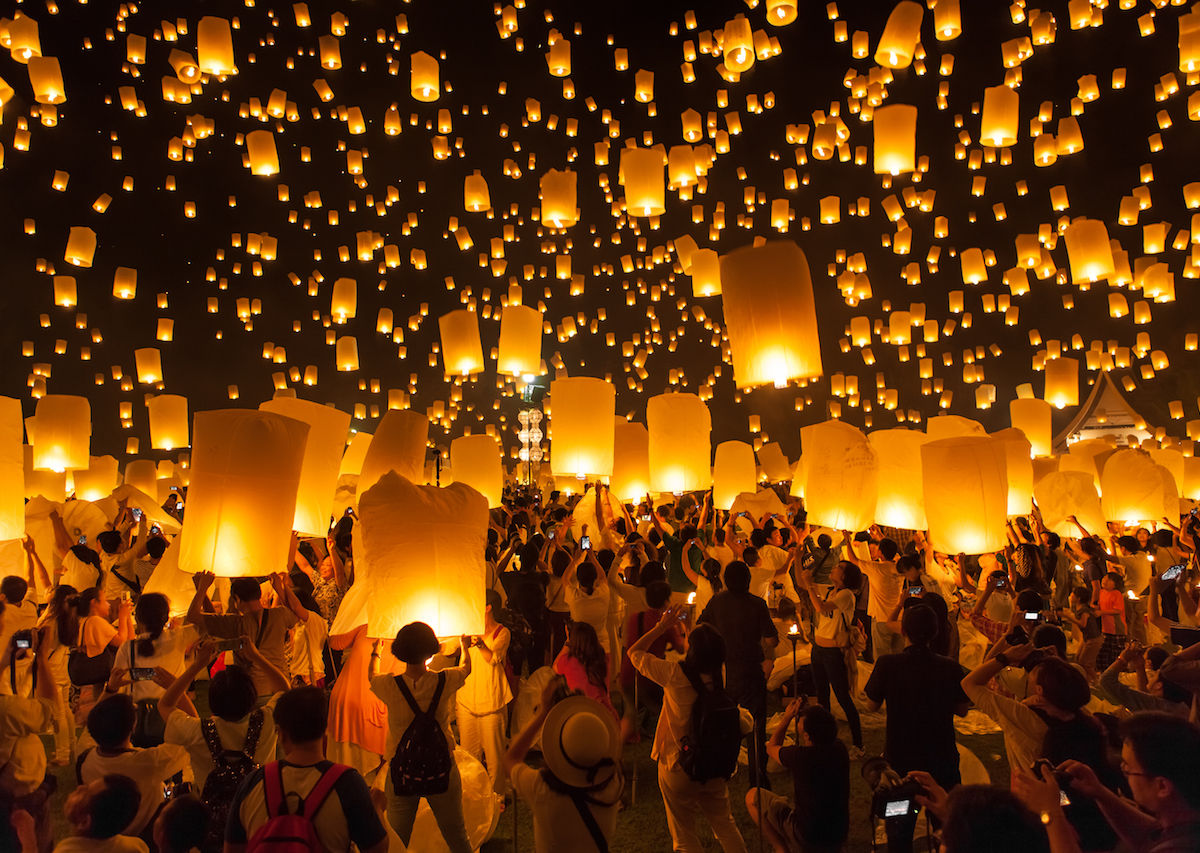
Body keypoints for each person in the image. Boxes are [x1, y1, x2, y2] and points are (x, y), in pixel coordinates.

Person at [630, 612, 750, 853]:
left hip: (679, 764)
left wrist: (660, 627)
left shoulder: (674, 674)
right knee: (725, 825)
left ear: (693, 651)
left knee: (684, 836)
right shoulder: (720, 674)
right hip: (716, 762)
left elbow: (634, 653)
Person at [224, 686, 388, 853]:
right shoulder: (348, 784)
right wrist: (377, 808)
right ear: (325, 727)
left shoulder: (253, 783)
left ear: (281, 733)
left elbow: (231, 849)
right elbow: (377, 849)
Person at [864, 603, 969, 852]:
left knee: (899, 832)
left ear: (903, 631)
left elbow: (871, 705)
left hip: (901, 768)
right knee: (948, 831)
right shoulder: (950, 667)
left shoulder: (888, 664)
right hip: (943, 764)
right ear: (934, 632)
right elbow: (963, 709)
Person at [370, 621, 472, 853]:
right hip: (442, 769)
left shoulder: (389, 685)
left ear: (400, 651)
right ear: (431, 648)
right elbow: (466, 669)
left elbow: (371, 676)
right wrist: (464, 646)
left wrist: (376, 650)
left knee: (397, 838)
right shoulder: (444, 680)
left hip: (402, 772)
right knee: (457, 836)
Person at [502, 682, 623, 853]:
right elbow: (590, 737)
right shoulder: (614, 782)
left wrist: (543, 712)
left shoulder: (541, 789)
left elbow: (510, 759)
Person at [1058, 712, 1200, 853]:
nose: (1122, 769)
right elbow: (1149, 837)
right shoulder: (1182, 822)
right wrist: (1098, 792)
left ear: (1162, 786)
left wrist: (1052, 814)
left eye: (1128, 768)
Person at [159, 637, 287, 791]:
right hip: (258, 809)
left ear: (211, 702)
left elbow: (165, 705)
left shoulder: (198, 731)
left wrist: (197, 666)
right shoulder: (266, 721)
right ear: (253, 697)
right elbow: (284, 690)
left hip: (212, 813)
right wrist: (256, 657)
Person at [698, 560, 776, 788]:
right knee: (756, 725)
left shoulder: (717, 601)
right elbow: (771, 638)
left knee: (725, 723)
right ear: (748, 581)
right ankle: (757, 777)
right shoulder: (757, 604)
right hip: (751, 669)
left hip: (725, 671)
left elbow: (702, 624)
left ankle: (724, 769)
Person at [75, 692, 190, 840]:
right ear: (133, 725)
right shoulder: (149, 763)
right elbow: (191, 734)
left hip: (104, 841)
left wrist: (110, 689)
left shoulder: (85, 759)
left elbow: (94, 723)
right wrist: (178, 690)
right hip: (145, 841)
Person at [746, 700, 849, 853]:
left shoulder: (801, 757)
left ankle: (781, 848)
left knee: (752, 796)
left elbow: (771, 747)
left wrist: (787, 717)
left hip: (807, 836)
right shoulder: (840, 749)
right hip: (837, 835)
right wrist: (814, 712)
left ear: (807, 736)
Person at [186, 572, 303, 696]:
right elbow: (297, 612)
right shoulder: (280, 615)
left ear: (237, 599)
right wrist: (279, 588)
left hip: (252, 689)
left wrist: (202, 588)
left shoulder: (236, 624)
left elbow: (193, 616)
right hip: (281, 684)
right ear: (259, 594)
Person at [0, 617, 61, 853]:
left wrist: (6, 661)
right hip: (18, 796)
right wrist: (43, 661)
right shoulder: (7, 710)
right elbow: (49, 710)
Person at [796, 560, 865, 758]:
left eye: (838, 567)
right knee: (822, 695)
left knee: (843, 697)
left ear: (844, 576)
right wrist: (797, 556)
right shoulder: (830, 590)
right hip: (818, 649)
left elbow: (820, 607)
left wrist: (809, 584)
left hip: (833, 653)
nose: (833, 568)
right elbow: (802, 582)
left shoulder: (846, 595)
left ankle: (859, 745)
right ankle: (823, 741)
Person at [457, 589, 513, 794]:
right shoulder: (466, 629)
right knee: (468, 754)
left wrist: (480, 644)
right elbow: (447, 649)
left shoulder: (502, 632)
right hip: (466, 699)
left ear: (488, 607)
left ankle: (497, 796)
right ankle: (472, 796)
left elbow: (494, 658)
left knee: (494, 756)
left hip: (492, 700)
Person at [619, 580, 683, 741]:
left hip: (628, 672)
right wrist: (684, 627)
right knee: (665, 703)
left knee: (631, 710)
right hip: (648, 678)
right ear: (667, 600)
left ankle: (629, 735)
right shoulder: (665, 624)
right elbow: (682, 649)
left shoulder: (636, 617)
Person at [112, 593, 195, 703]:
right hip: (173, 710)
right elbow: (213, 624)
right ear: (166, 617)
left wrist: (145, 674)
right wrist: (201, 589)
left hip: (141, 712)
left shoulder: (127, 648)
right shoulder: (179, 637)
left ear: (137, 618)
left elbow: (119, 680)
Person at [53, 773, 147, 853]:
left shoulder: (66, 850)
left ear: (85, 821)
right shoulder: (137, 847)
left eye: (85, 793)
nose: (80, 787)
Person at [555, 620, 619, 719]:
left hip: (580, 715)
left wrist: (568, 641)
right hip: (606, 713)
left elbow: (554, 667)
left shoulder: (567, 661)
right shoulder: (604, 658)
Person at [1064, 586, 1103, 681]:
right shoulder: (1080, 608)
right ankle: (1089, 681)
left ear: (1078, 598)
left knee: (1085, 663)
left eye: (1073, 594)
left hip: (1093, 640)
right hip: (1088, 639)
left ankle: (1097, 682)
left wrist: (1067, 616)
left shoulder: (1084, 610)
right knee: (1079, 659)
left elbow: (1083, 624)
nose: (1070, 596)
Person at [1096, 571, 1128, 672]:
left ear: (1115, 584)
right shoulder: (1101, 592)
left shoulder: (1116, 594)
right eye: (1104, 578)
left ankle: (1118, 672)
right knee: (1103, 652)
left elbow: (1117, 610)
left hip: (1116, 629)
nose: (1104, 581)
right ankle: (1104, 672)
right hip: (1105, 628)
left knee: (1116, 653)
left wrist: (1102, 612)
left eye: (1108, 580)